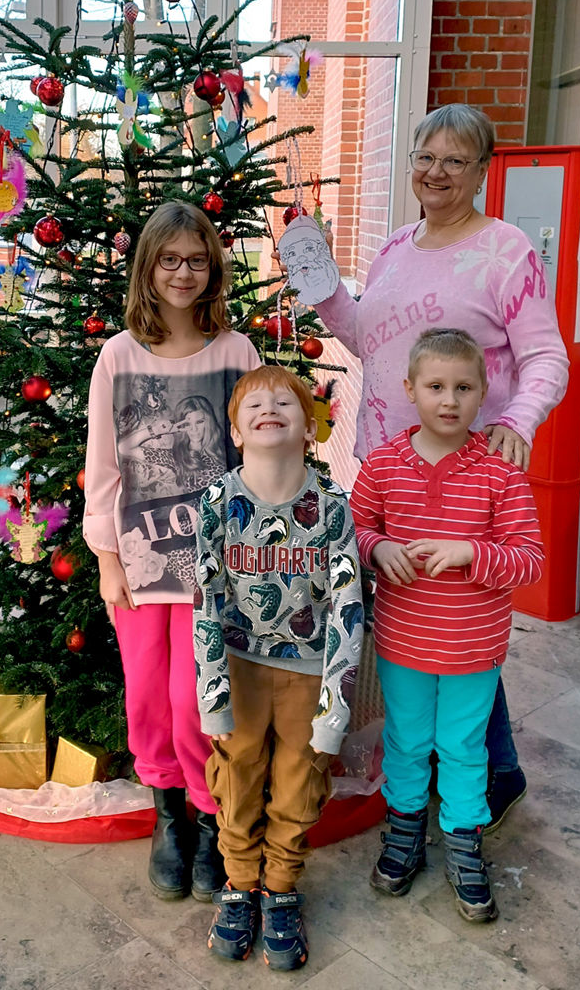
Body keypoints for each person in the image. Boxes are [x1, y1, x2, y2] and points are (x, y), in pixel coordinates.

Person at [314, 103, 568, 829]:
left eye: (455, 161)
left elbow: (546, 355)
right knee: (413, 616)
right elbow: (366, 337)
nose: (436, 172)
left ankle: (486, 771)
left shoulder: (505, 250)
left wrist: (515, 422)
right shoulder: (397, 244)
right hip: (391, 468)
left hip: (465, 471)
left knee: (461, 613)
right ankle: (445, 764)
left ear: (481, 171)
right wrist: (324, 284)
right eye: (426, 157)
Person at [83, 200, 260, 903]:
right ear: (147, 269)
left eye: (195, 259)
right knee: (150, 698)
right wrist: (105, 558)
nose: (182, 272)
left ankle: (210, 817)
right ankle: (167, 819)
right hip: (138, 559)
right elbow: (101, 464)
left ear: (212, 268)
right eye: (168, 259)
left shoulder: (236, 352)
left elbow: (261, 451)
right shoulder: (118, 355)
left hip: (212, 566)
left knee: (199, 701)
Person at [350, 329, 543, 921]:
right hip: (404, 642)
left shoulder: (500, 475)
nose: (449, 400)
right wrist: (377, 547)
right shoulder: (383, 464)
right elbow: (351, 531)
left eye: (464, 387)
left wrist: (471, 553)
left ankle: (464, 843)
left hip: (473, 646)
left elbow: (530, 560)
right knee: (407, 743)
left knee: (462, 749)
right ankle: (404, 833)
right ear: (410, 389)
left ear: (484, 393)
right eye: (435, 386)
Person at [193, 365, 362, 971]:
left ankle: (282, 886)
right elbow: (205, 600)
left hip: (307, 670)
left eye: (284, 402)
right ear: (236, 431)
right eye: (254, 404)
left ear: (309, 427)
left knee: (299, 776)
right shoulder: (216, 502)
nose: (269, 409)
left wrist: (334, 707)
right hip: (237, 665)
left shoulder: (332, 506)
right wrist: (212, 694)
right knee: (237, 776)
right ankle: (239, 882)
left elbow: (348, 608)